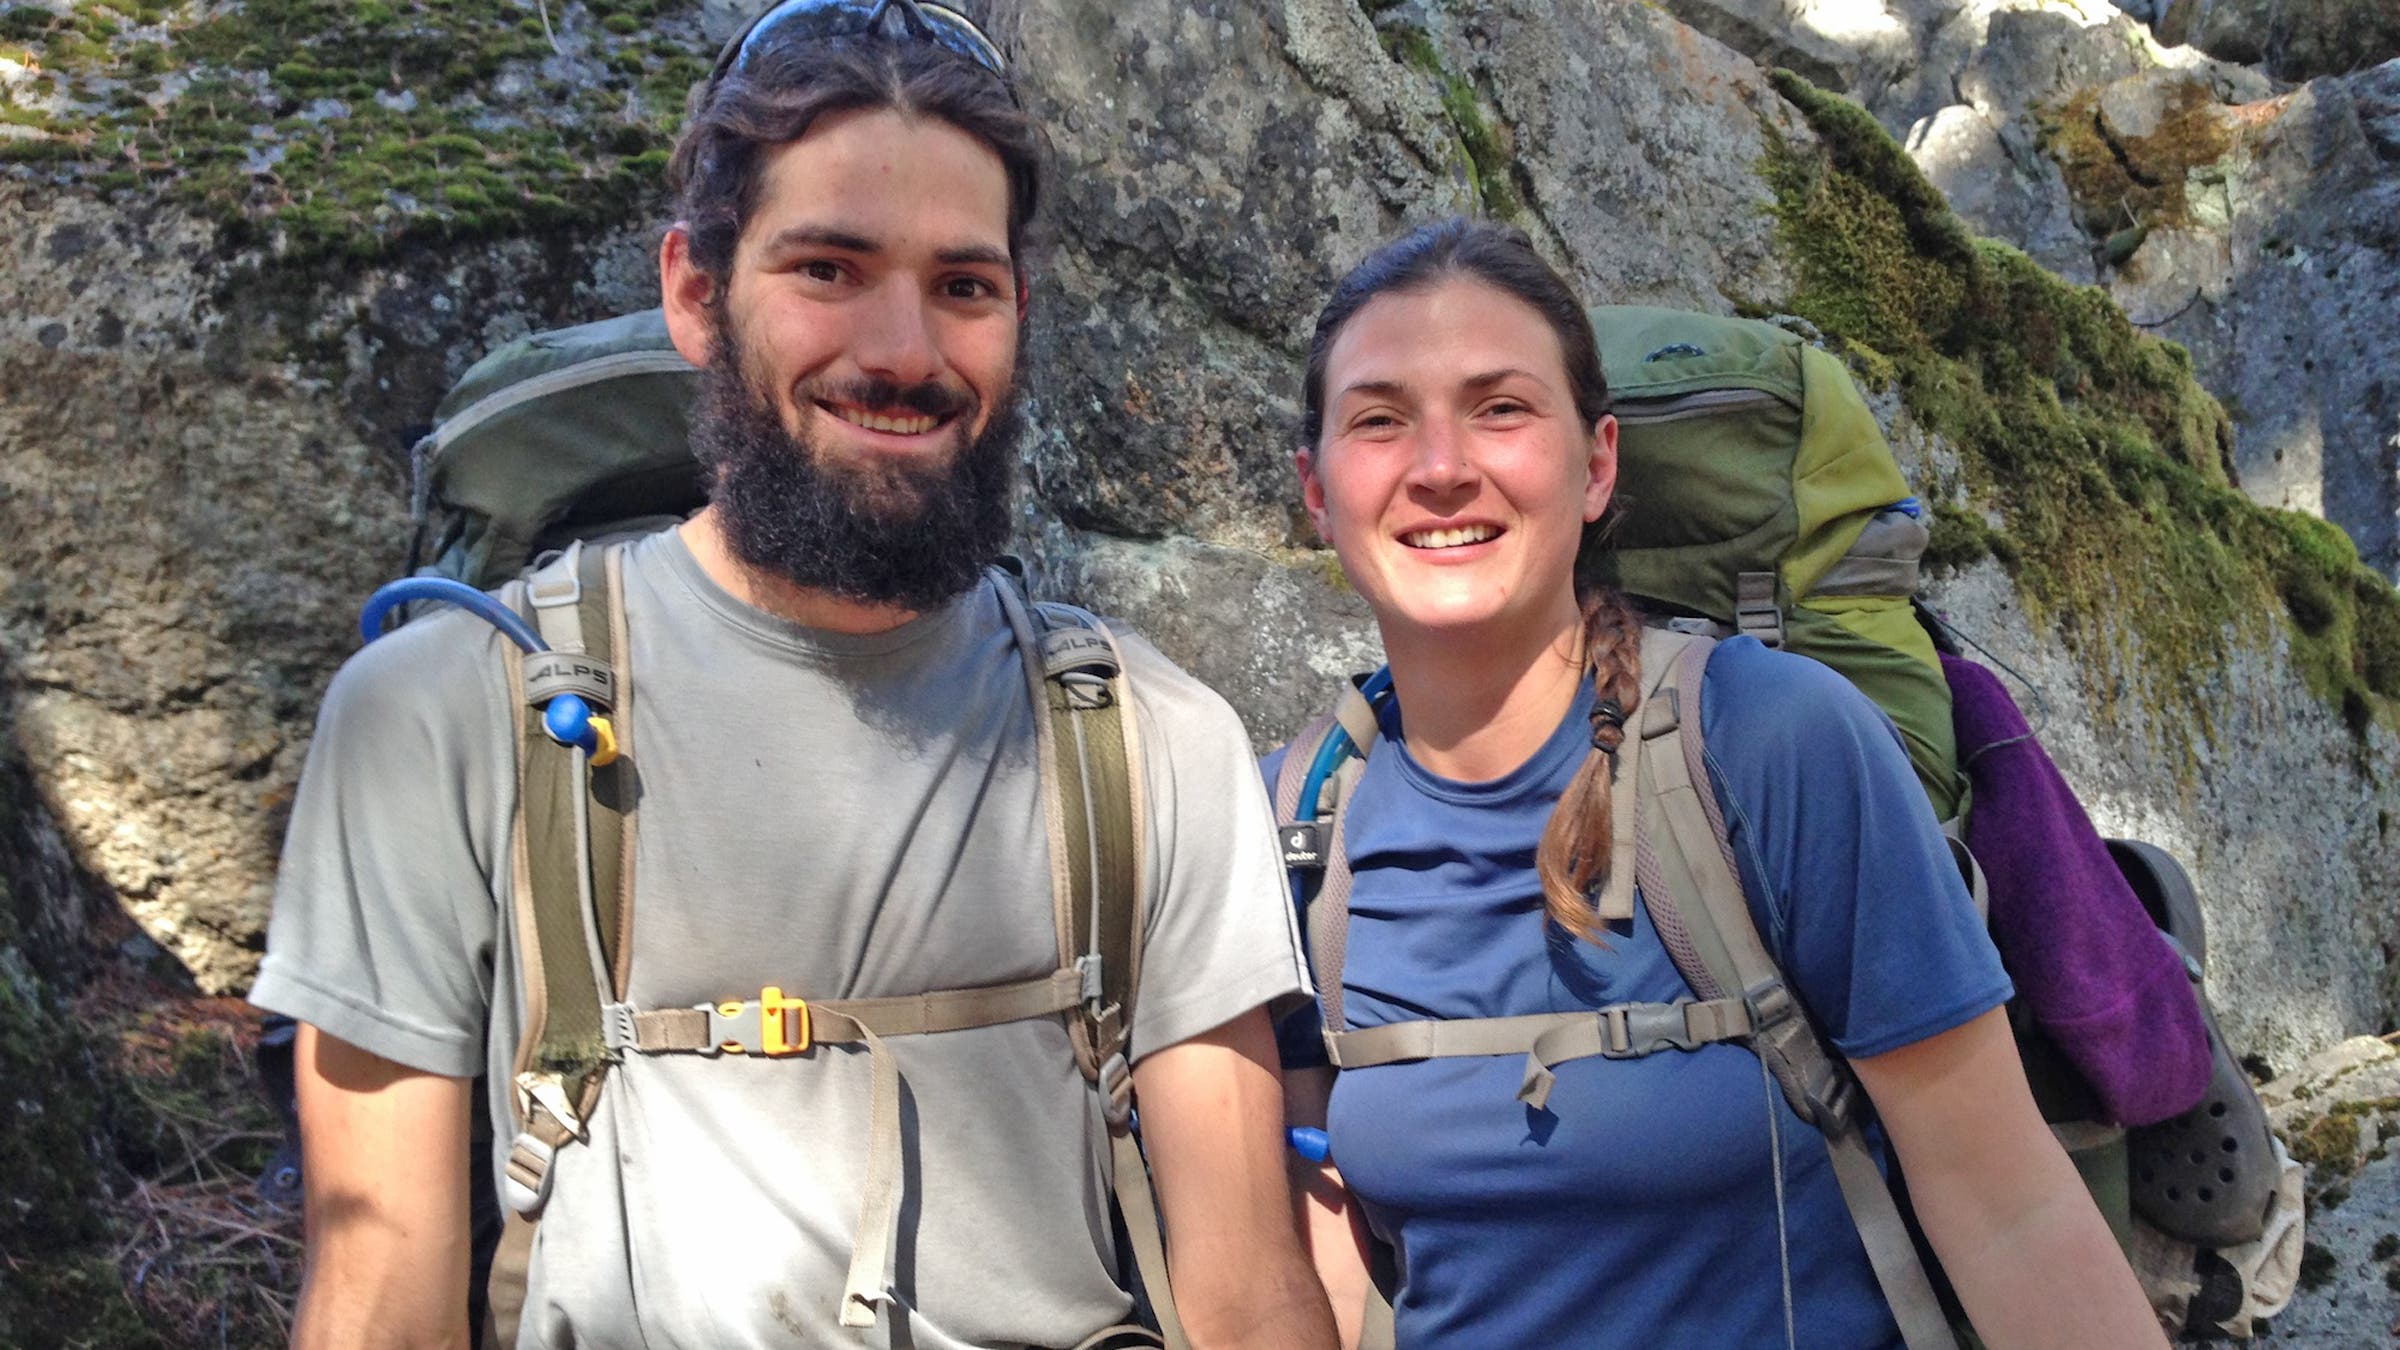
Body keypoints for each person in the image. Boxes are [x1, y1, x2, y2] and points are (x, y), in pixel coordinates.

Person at [249, 4, 1339, 1347]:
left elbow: (1249, 1294)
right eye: (829, 268)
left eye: (964, 285)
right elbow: (378, 1299)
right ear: (695, 293)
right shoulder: (439, 717)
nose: (902, 353)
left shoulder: (1154, 737)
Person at [1271, 218, 2166, 1349]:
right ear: (1316, 489)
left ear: (1597, 464)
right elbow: (1330, 1267)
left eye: (1500, 409)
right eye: (1379, 419)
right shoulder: (1304, 822)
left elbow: (2009, 1206)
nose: (1441, 468)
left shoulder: (1768, 743)